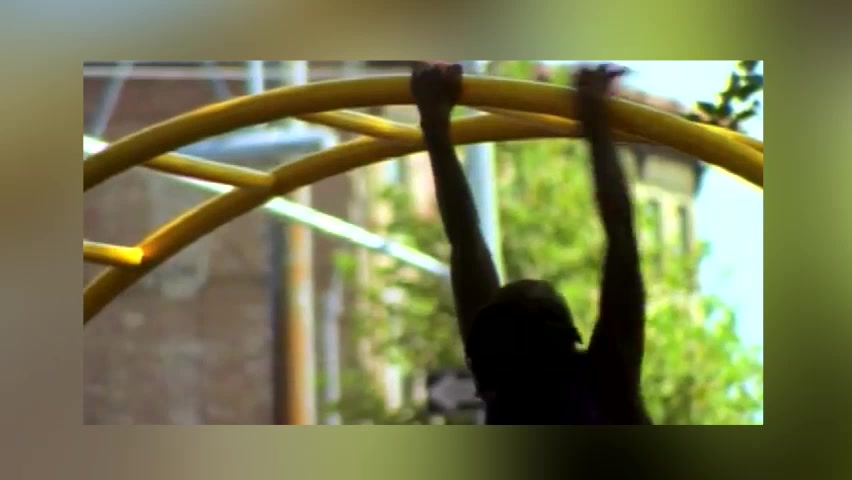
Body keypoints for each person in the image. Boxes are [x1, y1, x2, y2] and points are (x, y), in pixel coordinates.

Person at [410, 61, 652, 424]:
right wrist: (596, 126)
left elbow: (465, 240)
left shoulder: (502, 378)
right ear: (566, 334)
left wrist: (434, 125)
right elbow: (621, 241)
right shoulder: (605, 382)